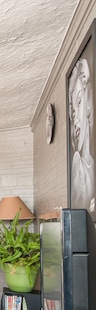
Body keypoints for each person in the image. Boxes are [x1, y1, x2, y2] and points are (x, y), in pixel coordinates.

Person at [68, 57, 95, 215]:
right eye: (73, 111)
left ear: (89, 103)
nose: (76, 119)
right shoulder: (77, 164)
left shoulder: (86, 163)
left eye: (79, 102)